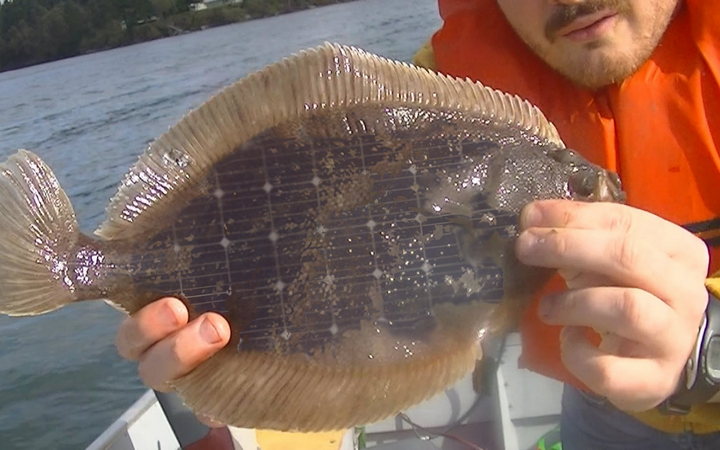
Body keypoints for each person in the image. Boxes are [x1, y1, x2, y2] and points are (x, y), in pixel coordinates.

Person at [114, 0, 720, 448]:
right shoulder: (434, 100)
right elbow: (330, 248)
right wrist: (219, 373)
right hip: (600, 410)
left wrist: (708, 348)